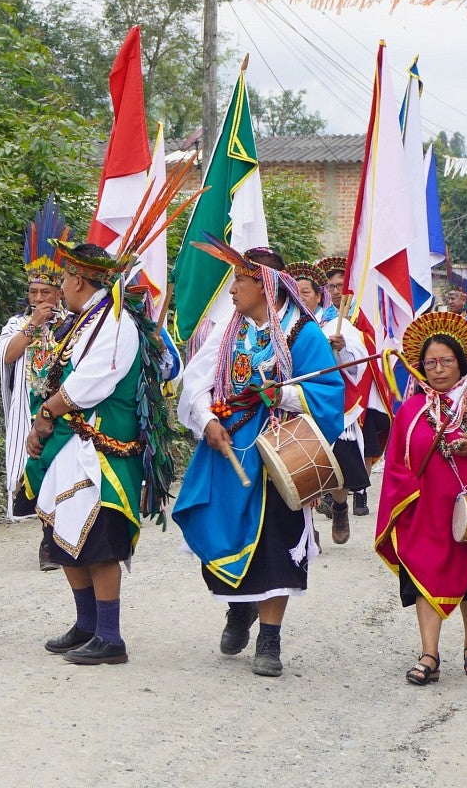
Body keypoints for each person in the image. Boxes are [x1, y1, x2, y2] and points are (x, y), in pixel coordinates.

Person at [175, 244, 344, 677]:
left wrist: (282, 393)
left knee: (276, 544)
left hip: (281, 451)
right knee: (222, 530)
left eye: (241, 281)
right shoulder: (229, 332)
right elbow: (196, 382)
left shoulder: (304, 336)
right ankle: (238, 608)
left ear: (264, 285)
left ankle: (270, 638)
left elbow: (328, 396)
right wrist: (206, 418)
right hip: (228, 448)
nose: (232, 289)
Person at [24, 241, 175, 666]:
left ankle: (111, 636)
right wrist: (46, 417)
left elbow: (95, 381)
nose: (60, 285)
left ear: (76, 279)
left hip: (102, 443)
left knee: (100, 538)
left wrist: (48, 412)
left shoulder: (114, 321)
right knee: (65, 532)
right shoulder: (85, 321)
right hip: (73, 441)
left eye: (64, 278)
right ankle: (87, 624)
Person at [375, 311, 467, 685]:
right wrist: (405, 495)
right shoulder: (410, 410)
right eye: (430, 363)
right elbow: (395, 463)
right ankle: (429, 653)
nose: (438, 369)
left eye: (446, 361)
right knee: (424, 575)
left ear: (462, 363)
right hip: (425, 512)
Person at [0, 199, 70, 571]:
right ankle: (47, 540)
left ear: (61, 292)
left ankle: (65, 537)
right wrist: (33, 324)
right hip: (29, 410)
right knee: (37, 472)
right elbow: (8, 354)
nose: (38, 299)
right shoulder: (17, 323)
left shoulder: (75, 324)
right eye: (33, 293)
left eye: (46, 293)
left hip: (67, 409)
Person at [289, 261, 370, 540]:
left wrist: (343, 348)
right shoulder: (285, 327)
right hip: (296, 404)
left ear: (318, 295)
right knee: (301, 468)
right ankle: (306, 527)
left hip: (333, 405)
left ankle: (339, 506)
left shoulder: (338, 324)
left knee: (339, 468)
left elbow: (360, 364)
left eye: (306, 293)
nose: (301, 298)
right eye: (296, 292)